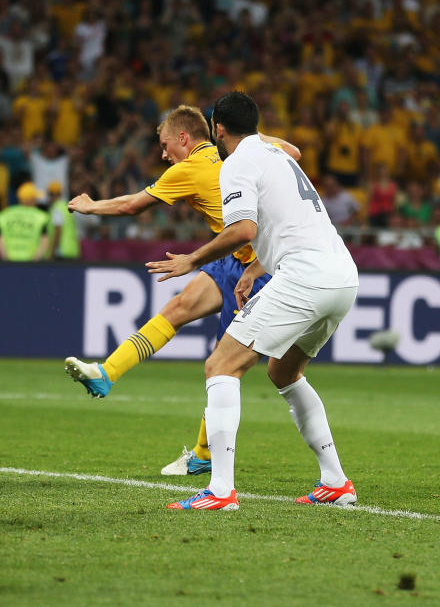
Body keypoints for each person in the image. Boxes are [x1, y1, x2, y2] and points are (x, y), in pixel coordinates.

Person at [146, 91, 359, 510]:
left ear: (218, 129)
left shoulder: (237, 163)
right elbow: (288, 224)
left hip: (305, 277)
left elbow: (243, 230)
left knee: (221, 365)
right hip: (341, 274)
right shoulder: (276, 153)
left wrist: (193, 258)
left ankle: (221, 490)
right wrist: (255, 267)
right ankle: (335, 481)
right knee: (284, 372)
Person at [63, 105, 300, 477]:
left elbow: (130, 206)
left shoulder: (188, 168)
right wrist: (256, 138)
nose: (163, 154)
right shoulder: (236, 152)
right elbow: (294, 152)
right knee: (179, 308)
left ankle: (205, 455)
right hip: (232, 258)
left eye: (164, 145)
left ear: (184, 139)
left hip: (261, 269)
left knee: (224, 366)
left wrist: (92, 207)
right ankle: (105, 374)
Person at [0, 181, 51, 261]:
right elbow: (44, 242)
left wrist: (7, 261)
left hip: (10, 262)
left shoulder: (4, 215)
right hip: (31, 264)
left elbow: (0, 240)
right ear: (31, 199)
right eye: (35, 198)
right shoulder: (41, 217)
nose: (36, 201)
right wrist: (34, 262)